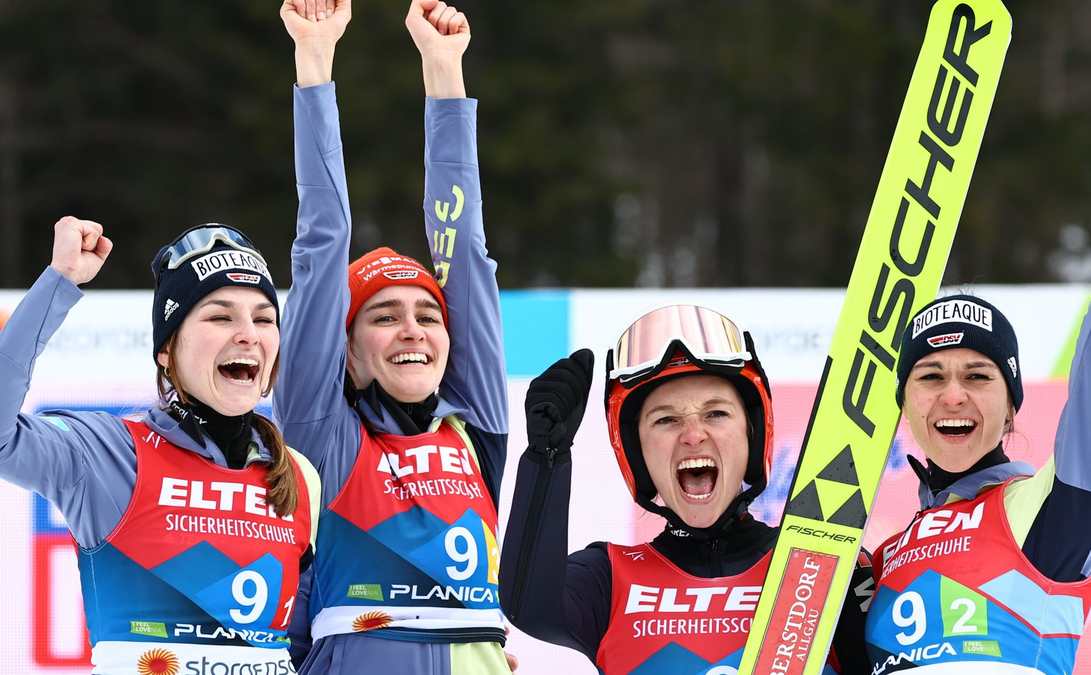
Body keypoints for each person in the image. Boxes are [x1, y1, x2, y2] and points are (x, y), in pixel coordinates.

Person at [864, 50, 1091, 673]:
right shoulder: (881, 562)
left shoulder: (1050, 507)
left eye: (978, 376)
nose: (952, 395)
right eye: (929, 376)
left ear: (1013, 403)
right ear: (904, 403)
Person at [275, 0, 512, 672]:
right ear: (346, 352)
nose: (412, 327)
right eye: (383, 315)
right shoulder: (321, 438)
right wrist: (314, 61)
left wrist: (445, 71)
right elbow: (321, 247)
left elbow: (464, 251)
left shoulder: (475, 426)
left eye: (427, 314)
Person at [0, 217, 319, 673]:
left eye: (264, 318)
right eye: (220, 315)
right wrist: (60, 280)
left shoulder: (297, 476)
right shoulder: (111, 456)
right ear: (167, 350)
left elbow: (303, 645)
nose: (249, 333)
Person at [501, 304, 873, 675]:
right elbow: (528, 606)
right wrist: (546, 459)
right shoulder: (608, 577)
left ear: (751, 435)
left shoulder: (827, 564)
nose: (693, 435)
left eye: (716, 414)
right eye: (666, 420)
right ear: (638, 454)